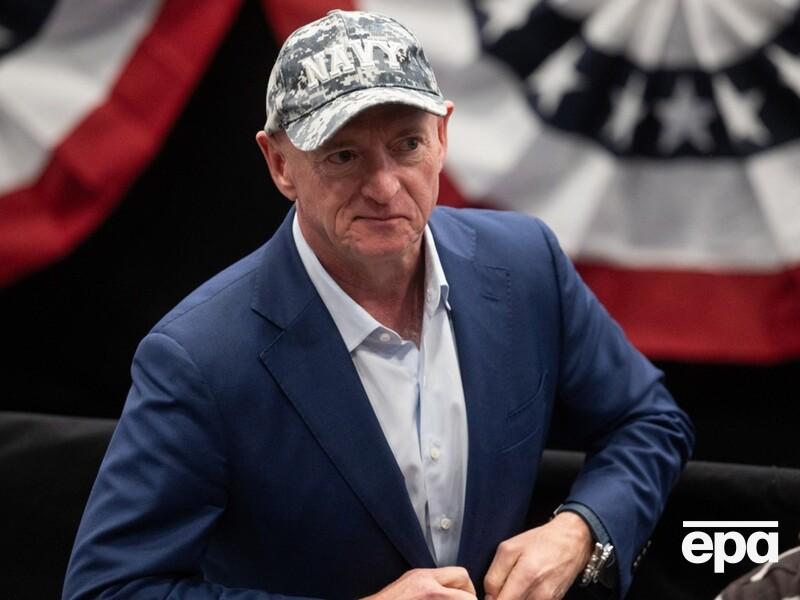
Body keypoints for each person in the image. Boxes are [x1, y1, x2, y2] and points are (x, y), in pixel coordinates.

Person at [63, 9, 694, 600]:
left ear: (442, 135)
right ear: (279, 163)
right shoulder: (201, 357)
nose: (385, 187)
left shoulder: (526, 266)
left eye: (407, 145)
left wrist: (581, 530)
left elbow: (648, 422)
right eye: (344, 155)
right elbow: (109, 587)